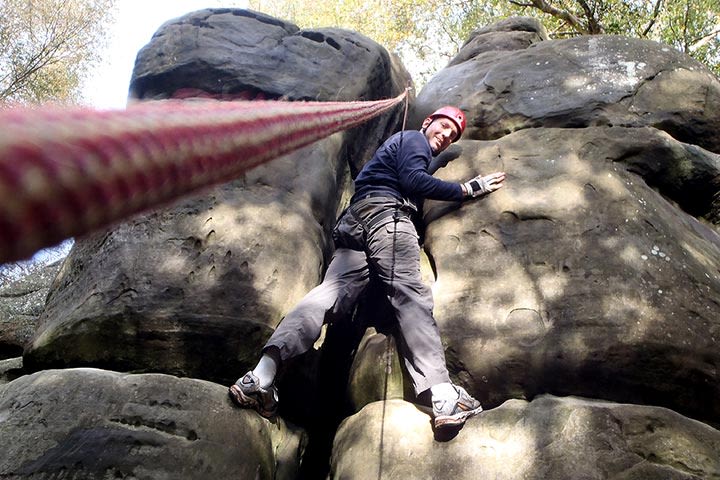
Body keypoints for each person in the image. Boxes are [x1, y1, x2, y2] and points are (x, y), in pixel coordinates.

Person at [229, 106, 506, 429]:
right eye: (443, 128)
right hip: (387, 218)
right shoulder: (412, 139)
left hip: (354, 226)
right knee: (410, 294)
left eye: (451, 137)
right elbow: (414, 179)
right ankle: (444, 396)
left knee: (327, 296)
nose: (445, 137)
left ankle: (261, 377)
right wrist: (467, 189)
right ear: (428, 122)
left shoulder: (393, 151)